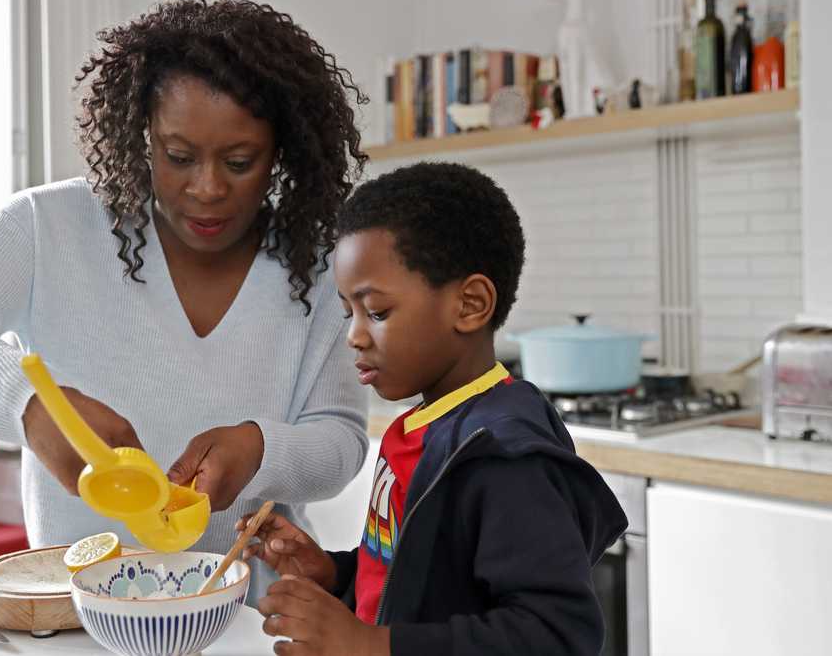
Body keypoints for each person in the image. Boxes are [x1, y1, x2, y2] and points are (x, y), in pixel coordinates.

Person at [0, 0, 370, 571]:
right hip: (74, 616)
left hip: (253, 619)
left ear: (283, 153)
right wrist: (29, 406)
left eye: (239, 161)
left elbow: (341, 439)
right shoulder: (48, 225)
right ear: (143, 137)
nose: (206, 188)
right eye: (179, 156)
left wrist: (262, 450)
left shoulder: (322, 262)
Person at [241, 162, 628, 655]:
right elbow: (415, 577)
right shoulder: (424, 426)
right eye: (349, 313)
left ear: (470, 305)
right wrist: (334, 571)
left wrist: (371, 646)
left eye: (377, 312)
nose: (354, 336)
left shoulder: (507, 457)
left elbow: (555, 635)